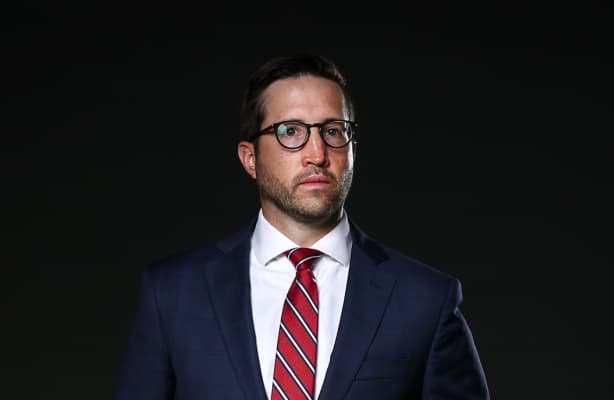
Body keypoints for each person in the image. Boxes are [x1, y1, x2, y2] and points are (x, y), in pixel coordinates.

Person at [114, 54, 490, 400]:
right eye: (290, 131)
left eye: (333, 131)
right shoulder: (173, 294)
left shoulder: (425, 301)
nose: (317, 154)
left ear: (353, 148)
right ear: (250, 158)